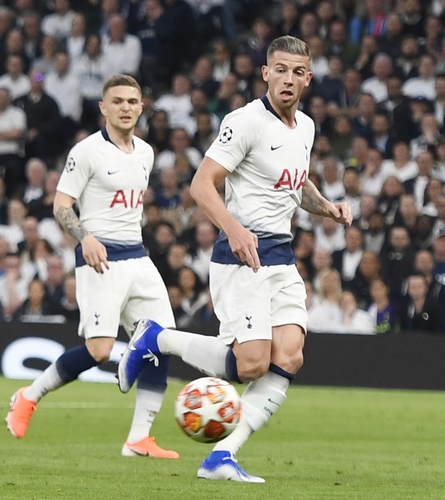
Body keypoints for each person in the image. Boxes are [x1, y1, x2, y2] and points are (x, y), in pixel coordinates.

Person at [118, 36, 353, 482]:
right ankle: (156, 338)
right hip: (240, 255)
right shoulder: (244, 121)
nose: (288, 78)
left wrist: (328, 206)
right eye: (279, 69)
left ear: (308, 78)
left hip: (281, 255)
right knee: (250, 365)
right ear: (265, 73)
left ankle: (220, 456)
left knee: (290, 357)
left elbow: (295, 185)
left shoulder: (305, 126)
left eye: (297, 72)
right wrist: (234, 228)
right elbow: (202, 184)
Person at [5, 74, 178, 459]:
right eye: (117, 101)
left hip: (139, 256)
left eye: (132, 101)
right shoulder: (86, 152)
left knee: (162, 341)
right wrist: (85, 237)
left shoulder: (146, 153)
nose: (126, 107)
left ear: (141, 106)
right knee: (99, 350)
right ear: (103, 107)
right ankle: (28, 396)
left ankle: (138, 439)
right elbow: (61, 204)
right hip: (100, 259)